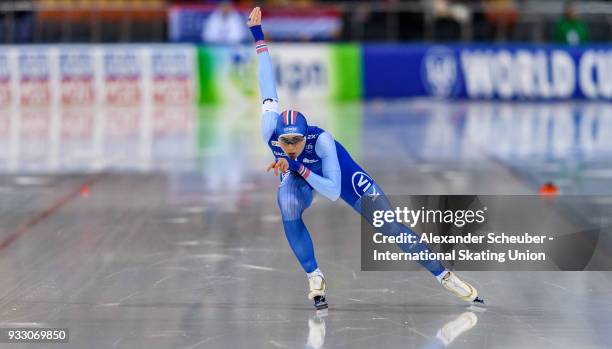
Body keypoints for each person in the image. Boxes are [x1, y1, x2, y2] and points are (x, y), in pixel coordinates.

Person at [247, 7, 484, 310]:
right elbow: (268, 87)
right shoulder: (270, 128)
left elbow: (332, 190)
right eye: (285, 142)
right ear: (277, 136)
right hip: (299, 178)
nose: (291, 146)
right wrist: (259, 40)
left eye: (297, 141)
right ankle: (314, 275)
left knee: (389, 225)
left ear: (307, 137)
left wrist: (295, 165)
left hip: (339, 175)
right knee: (288, 204)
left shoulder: (323, 142)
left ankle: (443, 275)